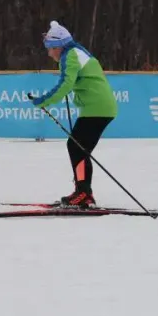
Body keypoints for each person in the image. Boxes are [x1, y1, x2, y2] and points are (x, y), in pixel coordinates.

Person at [29, 21, 118, 207]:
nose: (49, 53)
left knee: (77, 147)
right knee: (79, 148)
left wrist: (42, 100)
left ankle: (84, 193)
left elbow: (65, 85)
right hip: (98, 108)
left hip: (97, 108)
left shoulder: (70, 55)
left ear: (58, 46)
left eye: (50, 48)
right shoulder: (75, 52)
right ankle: (83, 192)